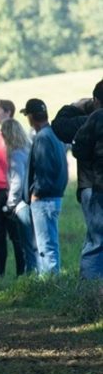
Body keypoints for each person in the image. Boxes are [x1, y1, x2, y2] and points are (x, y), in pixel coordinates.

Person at [22, 98, 68, 275]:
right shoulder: (54, 134)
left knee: (45, 246)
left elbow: (44, 169)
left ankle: (49, 285)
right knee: (49, 243)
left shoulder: (42, 137)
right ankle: (50, 282)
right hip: (55, 196)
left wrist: (36, 193)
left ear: (31, 117)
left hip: (44, 198)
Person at [0, 100, 24, 277]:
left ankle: (21, 274)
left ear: (8, 112)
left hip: (9, 192)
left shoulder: (15, 135)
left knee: (16, 237)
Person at [71, 83, 103, 280]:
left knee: (96, 241)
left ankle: (89, 297)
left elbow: (78, 148)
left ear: (97, 101)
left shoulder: (98, 117)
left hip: (100, 185)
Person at [0, 118, 36, 274]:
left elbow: (17, 180)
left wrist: (10, 203)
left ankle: (31, 278)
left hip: (21, 204)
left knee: (27, 245)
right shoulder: (29, 149)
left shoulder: (15, 154)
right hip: (33, 199)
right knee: (36, 243)